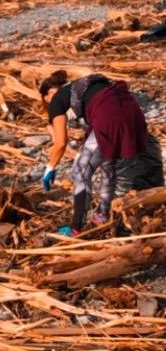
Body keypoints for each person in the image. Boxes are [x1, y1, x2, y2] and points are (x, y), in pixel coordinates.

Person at [40, 70, 149, 235]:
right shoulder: (79, 88)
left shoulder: (55, 100)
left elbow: (61, 142)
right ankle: (102, 216)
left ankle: (76, 227)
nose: (49, 106)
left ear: (47, 95)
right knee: (108, 162)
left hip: (108, 115)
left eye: (46, 101)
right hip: (131, 110)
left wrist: (50, 168)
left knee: (80, 170)